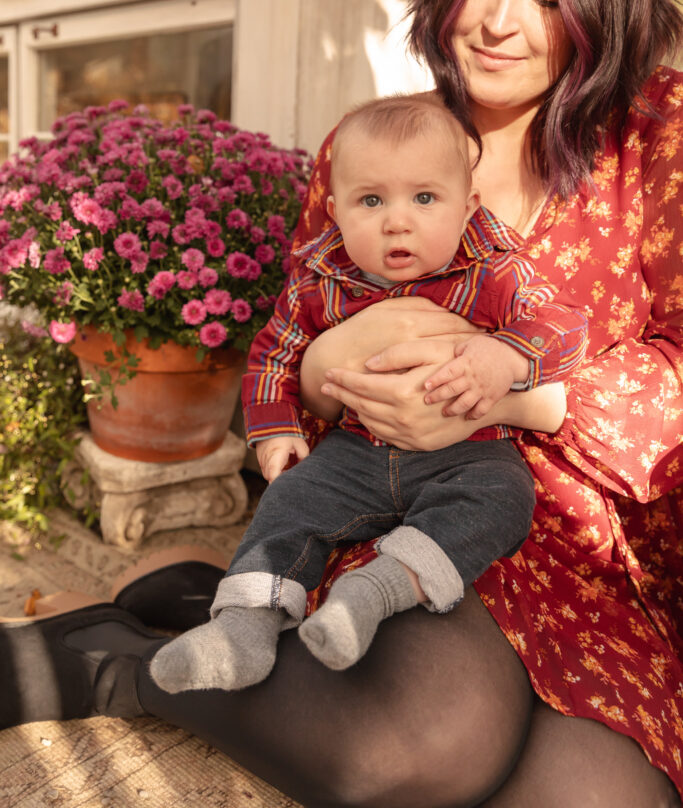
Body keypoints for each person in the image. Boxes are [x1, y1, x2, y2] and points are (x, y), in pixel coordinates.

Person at [1, 0, 682, 808]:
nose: (495, 22)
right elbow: (298, 361)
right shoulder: (376, 147)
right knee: (403, 754)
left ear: (601, 7)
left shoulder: (659, 137)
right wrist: (327, 364)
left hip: (588, 550)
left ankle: (191, 605)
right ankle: (105, 662)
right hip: (401, 506)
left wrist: (511, 386)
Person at [148, 93, 587, 693]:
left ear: (467, 207)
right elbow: (273, 354)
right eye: (371, 200)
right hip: (355, 451)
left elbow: (565, 325)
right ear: (337, 210)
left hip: (469, 449)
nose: (396, 221)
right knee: (289, 503)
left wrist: (505, 353)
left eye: (425, 198)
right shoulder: (321, 279)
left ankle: (373, 593)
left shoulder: (496, 270)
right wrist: (276, 432)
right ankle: (242, 627)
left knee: (503, 497)